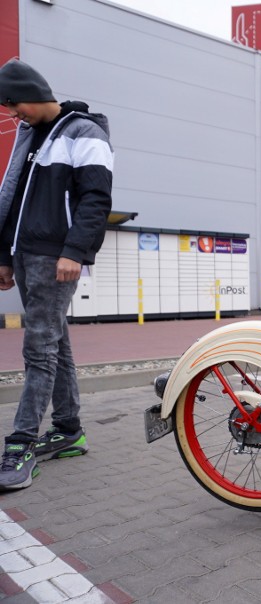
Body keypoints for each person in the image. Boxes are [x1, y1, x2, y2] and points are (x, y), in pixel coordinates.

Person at [0, 59, 113, 489]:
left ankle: (21, 443)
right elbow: (11, 197)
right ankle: (68, 430)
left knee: (38, 346)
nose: (13, 115)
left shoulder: (85, 132)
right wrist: (3, 254)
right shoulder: (29, 136)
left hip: (55, 255)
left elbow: (95, 200)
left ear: (33, 92)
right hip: (25, 252)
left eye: (14, 105)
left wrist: (75, 251)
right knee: (54, 341)